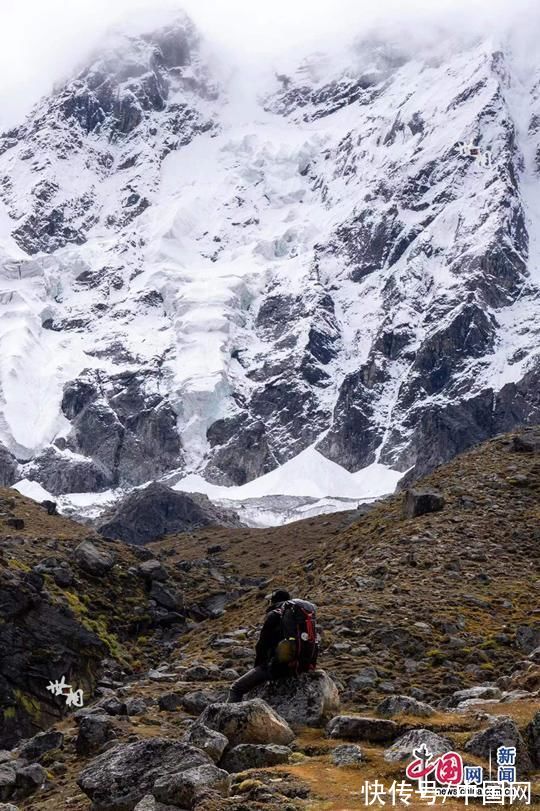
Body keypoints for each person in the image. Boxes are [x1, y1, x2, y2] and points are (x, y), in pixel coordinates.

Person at [228, 588, 318, 702]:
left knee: (236, 689)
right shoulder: (298, 617)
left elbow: (262, 645)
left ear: (273, 601)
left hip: (278, 668)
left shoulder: (274, 615)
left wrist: (259, 667)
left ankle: (230, 717)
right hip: (302, 665)